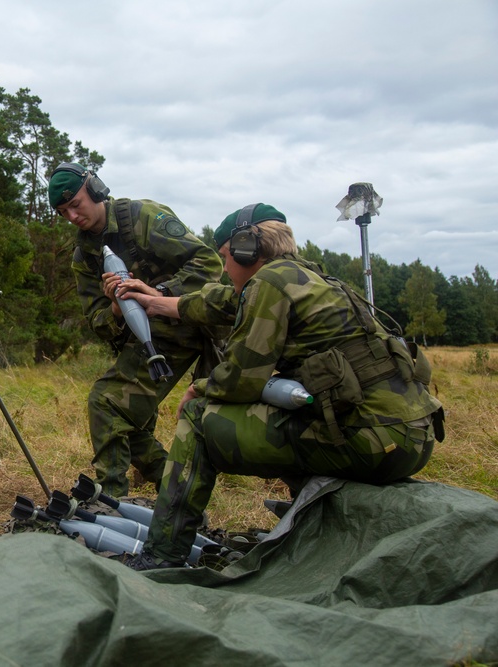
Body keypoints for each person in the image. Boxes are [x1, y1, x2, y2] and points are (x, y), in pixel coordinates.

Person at [115, 203, 445, 570]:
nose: (224, 268)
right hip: (412, 438)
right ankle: (310, 532)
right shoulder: (312, 279)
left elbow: (242, 379)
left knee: (197, 419)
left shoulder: (268, 283)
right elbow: (218, 302)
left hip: (369, 441)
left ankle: (162, 555)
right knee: (290, 415)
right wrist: (153, 301)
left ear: (247, 248)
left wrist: (199, 389)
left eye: (225, 257)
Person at [48, 163, 225, 497]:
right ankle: (178, 491)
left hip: (185, 322)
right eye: (63, 212)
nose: (71, 216)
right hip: (147, 338)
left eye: (75, 205)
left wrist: (161, 294)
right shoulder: (84, 257)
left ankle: (110, 497)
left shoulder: (142, 217)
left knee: (106, 402)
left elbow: (208, 263)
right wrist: (115, 308)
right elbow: (98, 323)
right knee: (128, 422)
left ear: (96, 190)